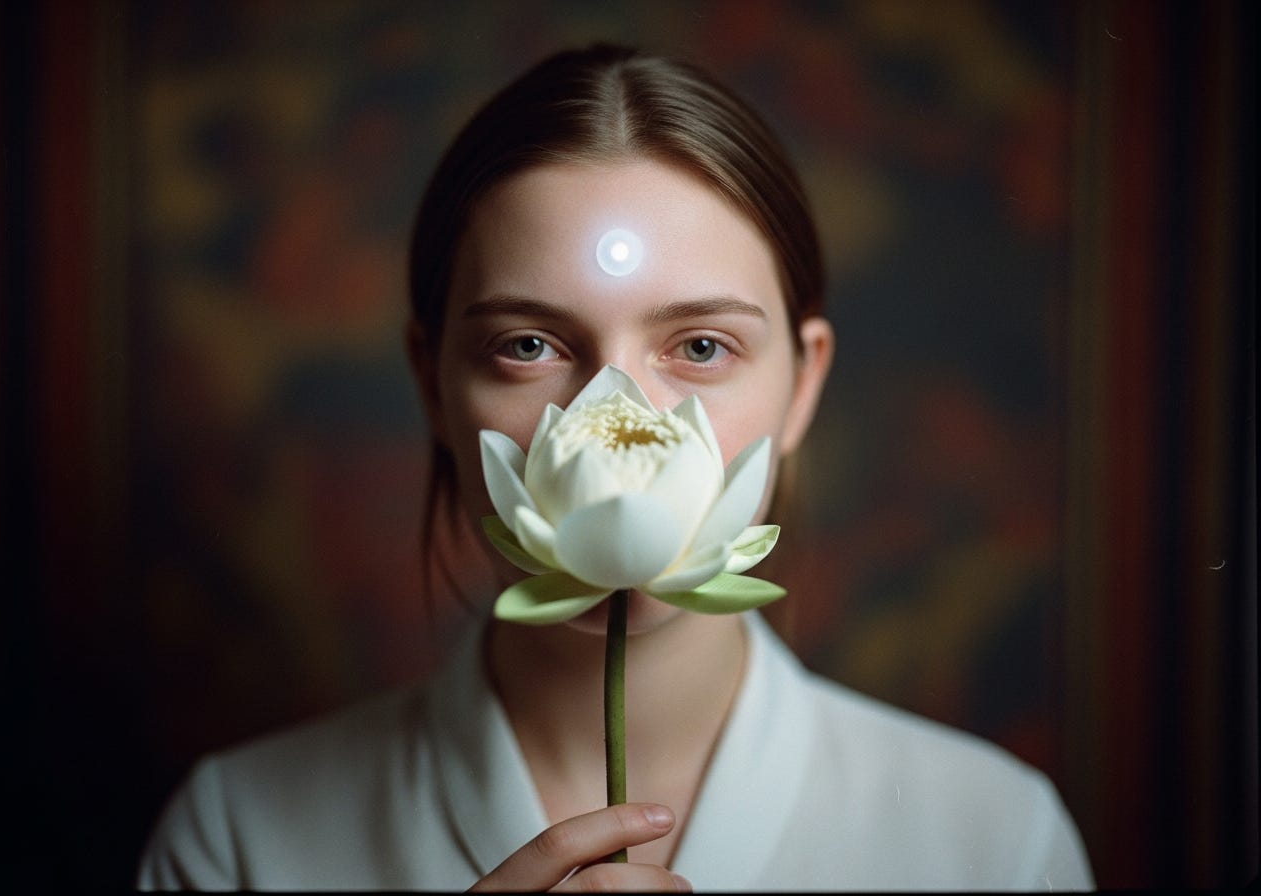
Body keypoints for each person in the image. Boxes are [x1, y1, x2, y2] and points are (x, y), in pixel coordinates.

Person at [137, 44, 1094, 891]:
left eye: (703, 348)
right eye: (527, 345)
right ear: (431, 383)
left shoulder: (997, 844)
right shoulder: (238, 843)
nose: (613, 420)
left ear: (803, 386)